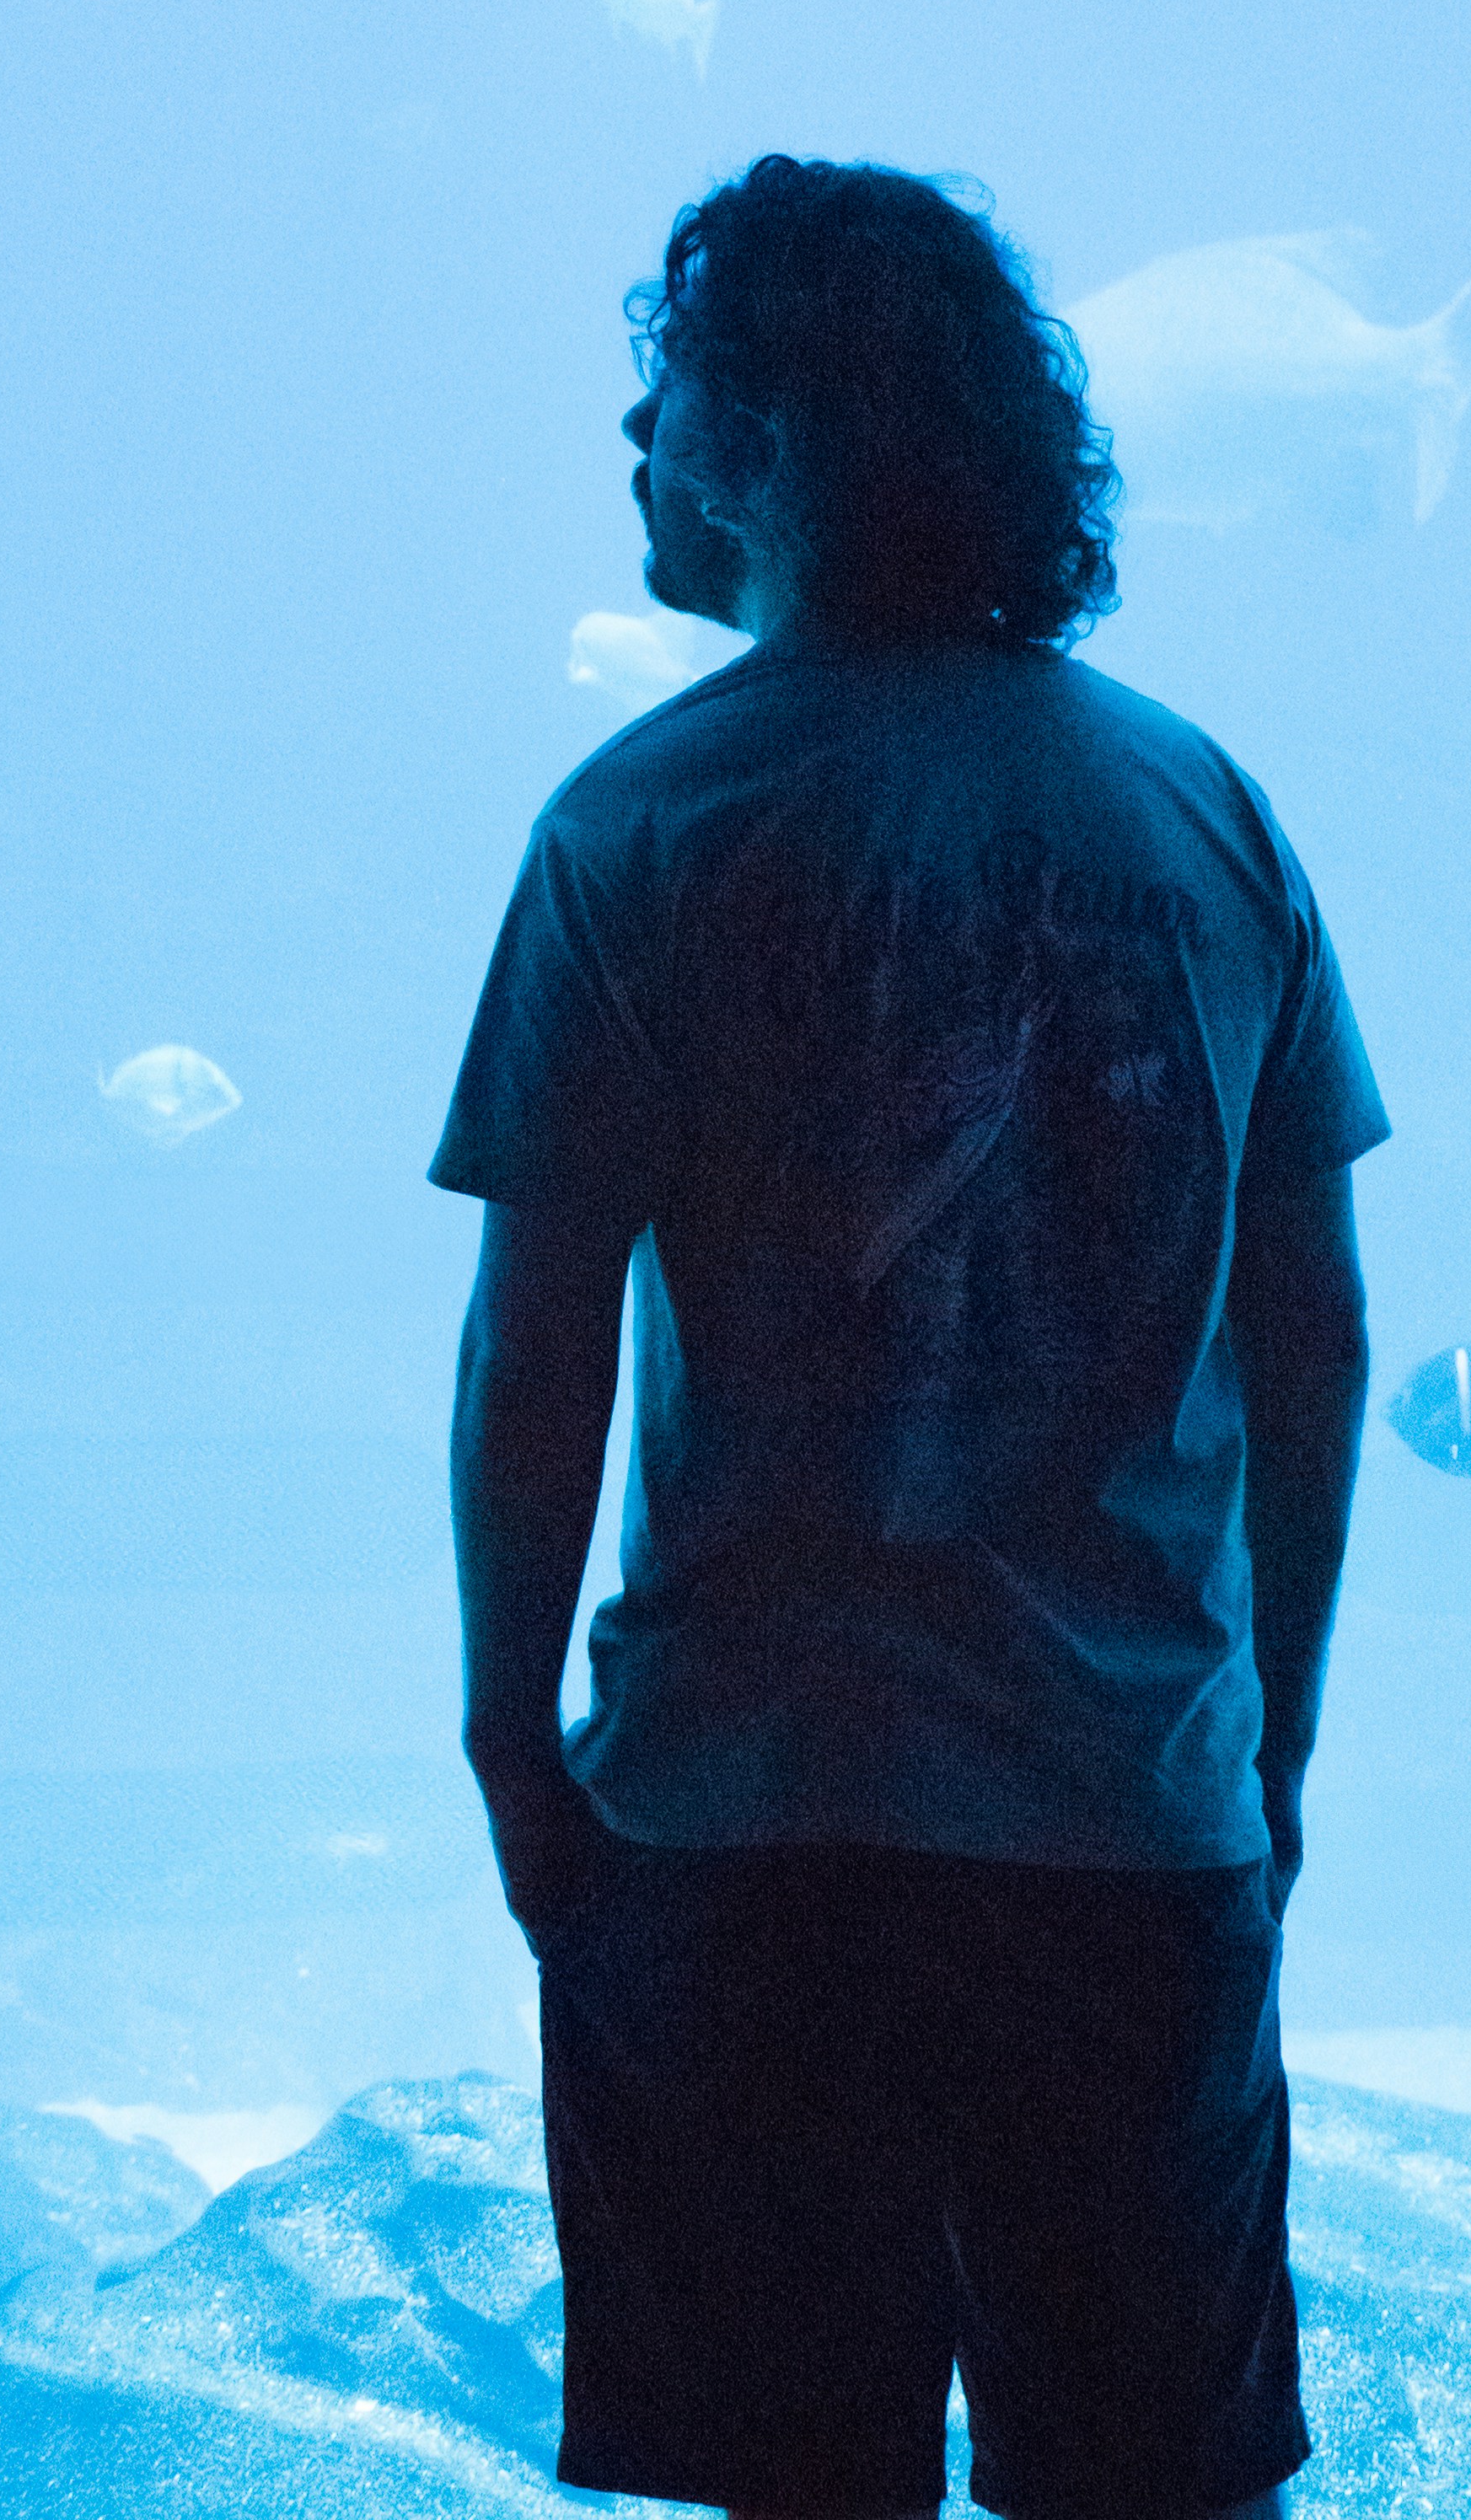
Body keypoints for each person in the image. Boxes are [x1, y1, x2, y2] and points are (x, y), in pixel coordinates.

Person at [433, 158, 1384, 2520]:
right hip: (1123, 1818)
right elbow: (1319, 1337)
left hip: (746, 1828)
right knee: (1155, 2483)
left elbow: (536, 1343)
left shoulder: (637, 831)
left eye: (663, 400)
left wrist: (509, 1739)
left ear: (768, 437)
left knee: (793, 2481)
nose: (633, 454)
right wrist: (1265, 1750)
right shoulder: (1199, 818)